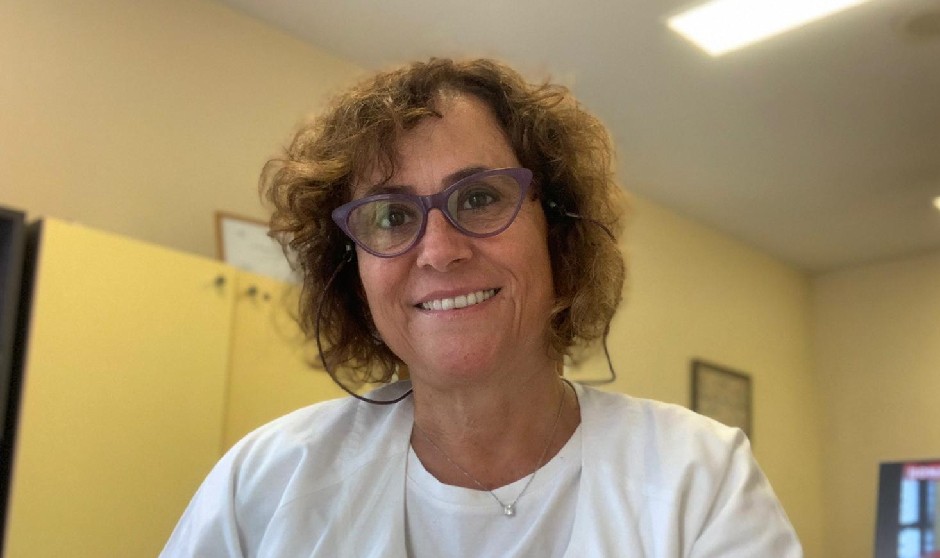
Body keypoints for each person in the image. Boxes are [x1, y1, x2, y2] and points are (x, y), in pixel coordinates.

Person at [162, 58, 802, 557]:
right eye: (391, 216)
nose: (439, 251)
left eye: (479, 199)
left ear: (558, 235)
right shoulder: (266, 482)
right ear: (352, 275)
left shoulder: (698, 476)